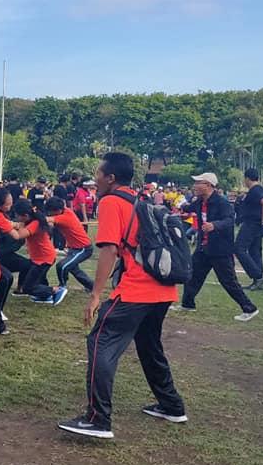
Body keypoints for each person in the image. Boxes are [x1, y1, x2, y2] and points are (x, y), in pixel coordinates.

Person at [58, 152, 186, 440]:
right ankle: (172, 405)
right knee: (149, 345)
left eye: (99, 174)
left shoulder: (112, 202)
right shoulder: (140, 201)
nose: (96, 180)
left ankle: (97, 419)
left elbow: (109, 250)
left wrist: (95, 295)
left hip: (136, 290)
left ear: (111, 178)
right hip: (163, 290)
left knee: (100, 341)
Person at [176, 173, 258, 322]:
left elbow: (229, 220)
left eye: (198, 183)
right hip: (203, 248)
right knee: (193, 275)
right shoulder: (200, 201)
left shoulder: (222, 203)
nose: (195, 186)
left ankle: (249, 308)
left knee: (228, 281)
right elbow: (188, 208)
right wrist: (181, 210)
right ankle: (187, 304)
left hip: (220, 250)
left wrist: (214, 225)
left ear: (208, 185)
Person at [11, 199, 67, 305]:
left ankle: (56, 290)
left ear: (26, 215)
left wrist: (6, 227)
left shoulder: (35, 224)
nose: (16, 217)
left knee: (28, 287)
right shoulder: (32, 221)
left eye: (17, 215)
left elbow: (19, 235)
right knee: (37, 277)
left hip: (44, 258)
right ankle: (46, 296)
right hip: (39, 258)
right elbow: (20, 226)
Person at [44, 197, 94, 292]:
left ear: (58, 210)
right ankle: (92, 286)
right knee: (74, 269)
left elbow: (47, 220)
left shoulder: (65, 217)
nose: (49, 213)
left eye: (51, 212)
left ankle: (62, 287)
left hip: (83, 249)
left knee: (62, 266)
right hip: (73, 248)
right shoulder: (64, 210)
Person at [236, 168, 263, 291]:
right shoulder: (259, 189)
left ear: (247, 178)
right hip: (255, 224)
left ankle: (257, 276)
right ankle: (258, 280)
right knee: (254, 251)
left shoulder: (255, 190)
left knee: (239, 249)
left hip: (252, 224)